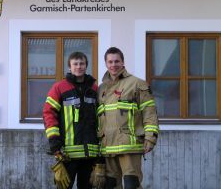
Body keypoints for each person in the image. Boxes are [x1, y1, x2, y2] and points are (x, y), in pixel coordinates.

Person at [97, 47, 159, 189]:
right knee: (110, 185)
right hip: (108, 147)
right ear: (106, 64)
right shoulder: (101, 89)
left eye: (117, 61)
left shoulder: (137, 84)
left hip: (130, 145)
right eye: (110, 62)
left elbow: (149, 112)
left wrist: (150, 137)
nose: (114, 65)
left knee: (132, 184)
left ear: (123, 62)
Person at [43, 52, 100, 189]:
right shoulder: (59, 87)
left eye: (82, 64)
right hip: (67, 153)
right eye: (75, 64)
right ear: (69, 67)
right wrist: (54, 140)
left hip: (90, 153)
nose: (79, 67)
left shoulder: (95, 89)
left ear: (86, 66)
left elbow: (101, 117)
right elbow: (48, 113)